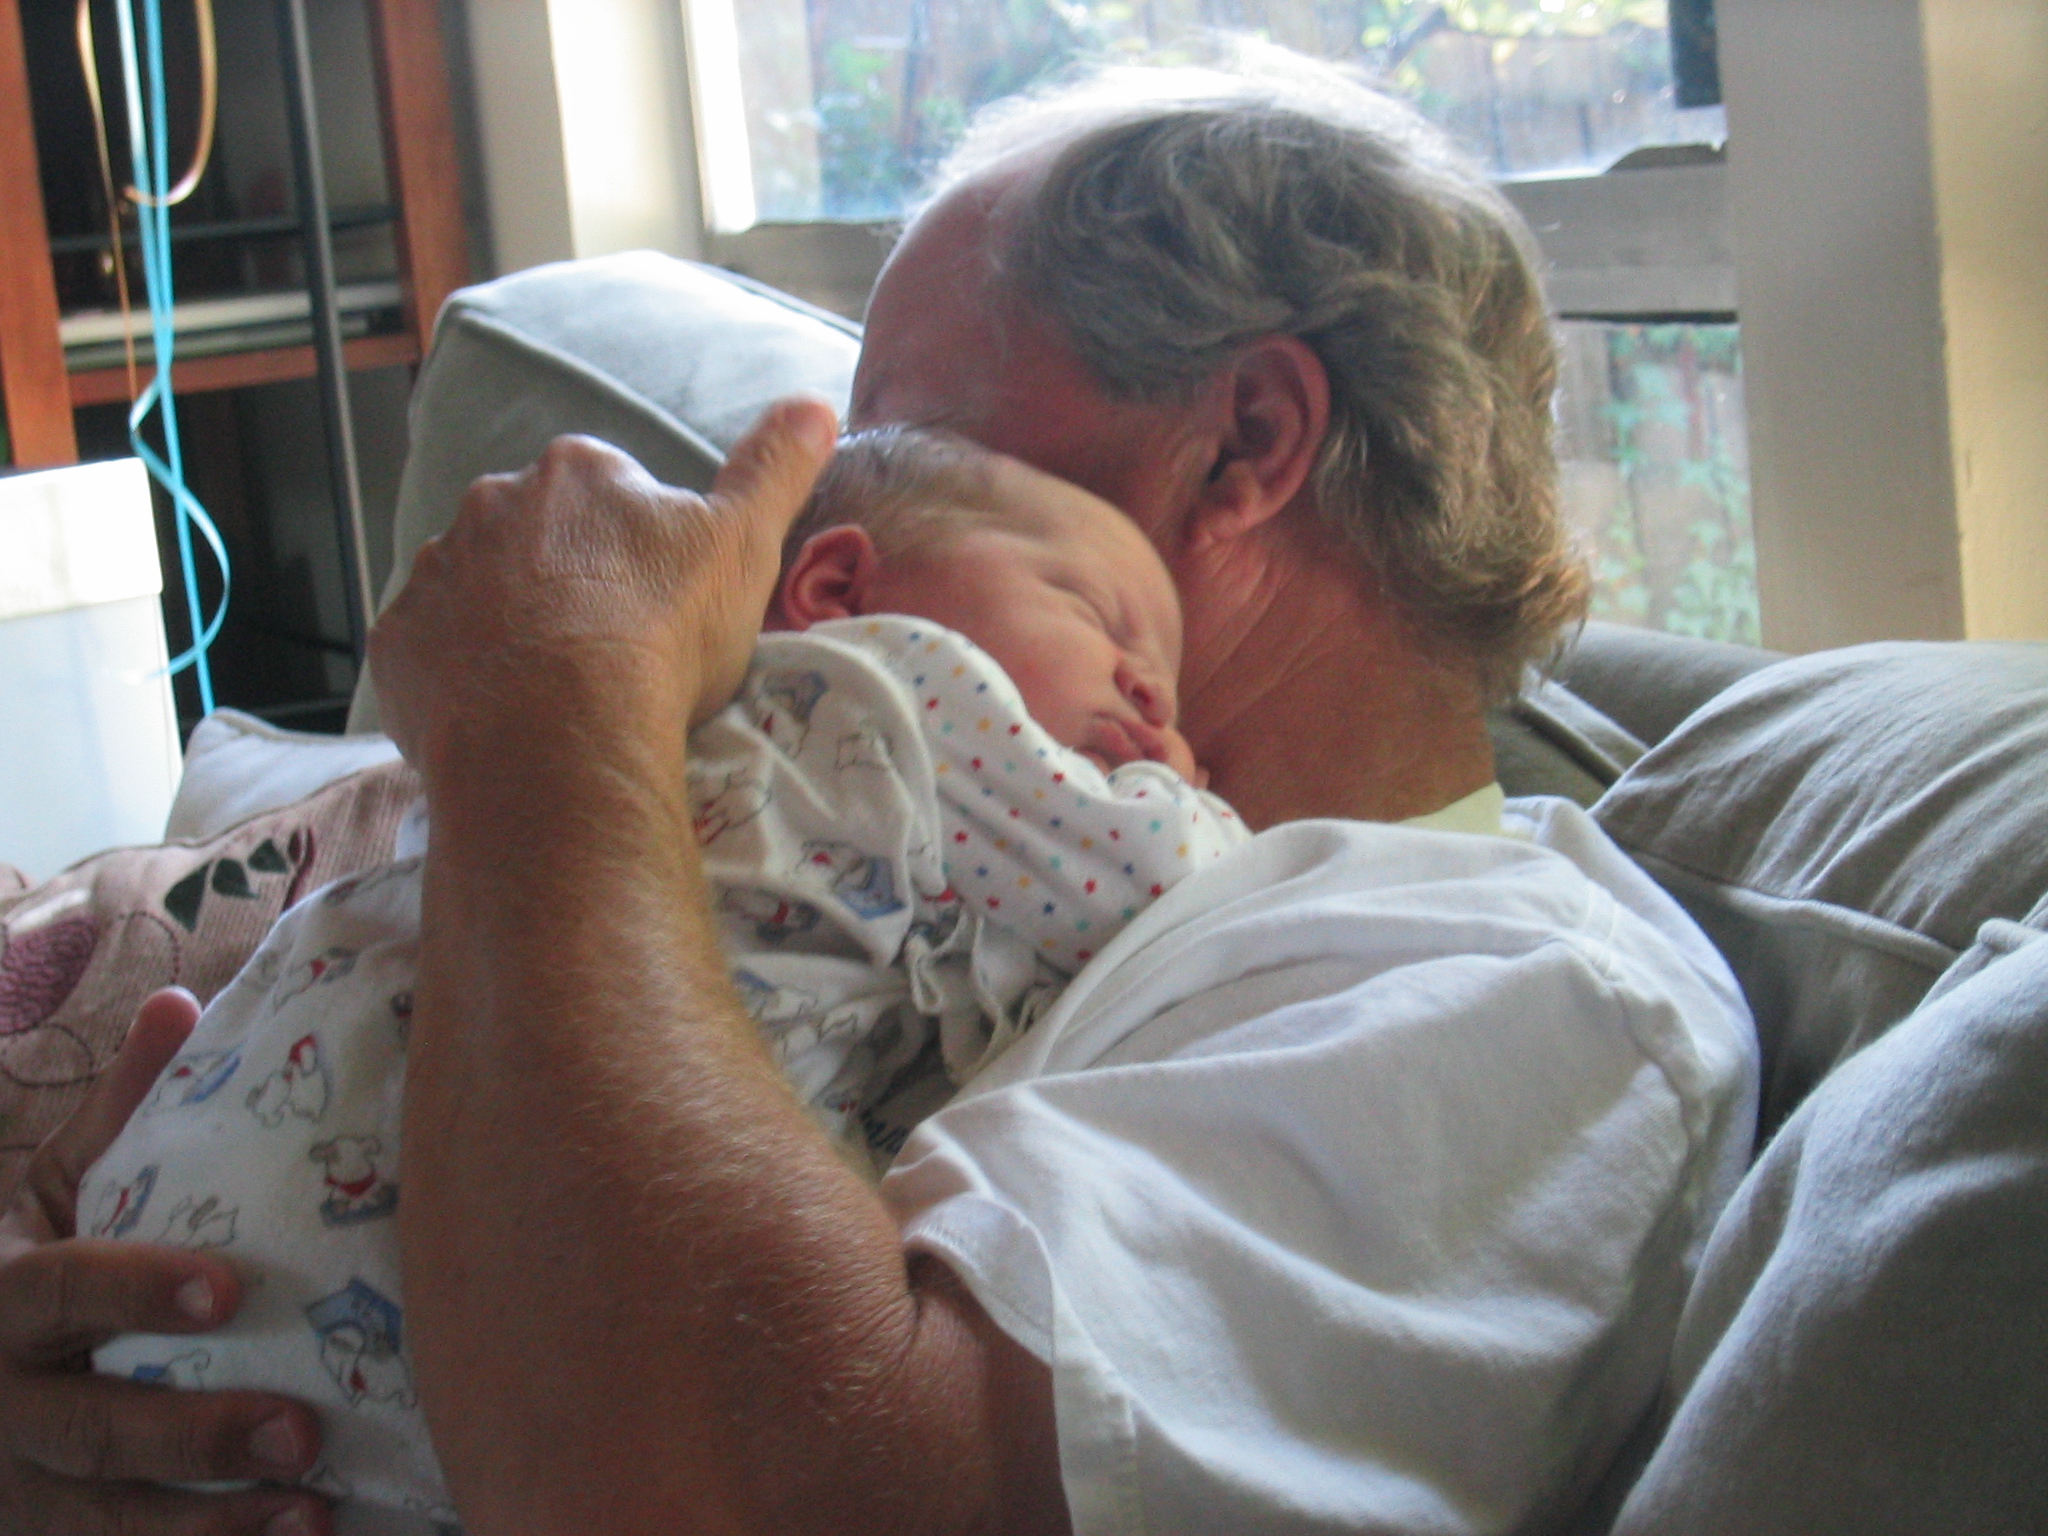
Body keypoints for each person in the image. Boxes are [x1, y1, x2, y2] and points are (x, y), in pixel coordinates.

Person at [0, 44, 1758, 1536]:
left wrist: (556, 704)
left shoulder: (1511, 995)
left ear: (1244, 447)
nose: (806, 563)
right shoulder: (893, 833)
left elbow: (697, 1490)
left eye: (920, 443)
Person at [74, 427, 1245, 1526]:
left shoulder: (609, 729)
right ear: (837, 588)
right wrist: (1200, 804)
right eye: (1098, 617)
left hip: (193, 1246)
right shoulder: (892, 690)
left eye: (1167, 688)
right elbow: (1157, 874)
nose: (1152, 692)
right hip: (475, 1307)